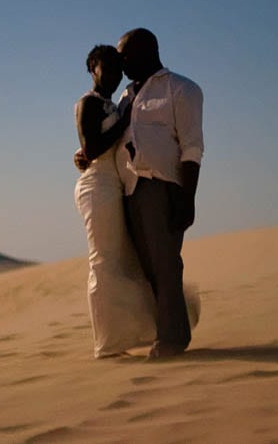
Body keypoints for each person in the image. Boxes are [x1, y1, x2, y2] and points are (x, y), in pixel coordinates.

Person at [114, 28, 203, 359]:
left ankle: (173, 339)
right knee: (145, 267)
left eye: (126, 55)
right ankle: (171, 323)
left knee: (165, 264)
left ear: (147, 51)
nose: (121, 63)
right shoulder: (125, 96)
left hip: (161, 185)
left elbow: (193, 147)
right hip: (129, 189)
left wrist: (187, 196)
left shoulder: (180, 88)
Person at [73, 45, 157, 358]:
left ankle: (132, 334)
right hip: (97, 187)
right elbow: (91, 149)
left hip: (117, 187)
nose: (112, 75)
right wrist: (122, 123)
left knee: (124, 260)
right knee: (103, 262)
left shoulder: (114, 104)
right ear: (92, 69)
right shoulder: (88, 103)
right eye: (104, 68)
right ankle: (106, 344)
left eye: (116, 69)